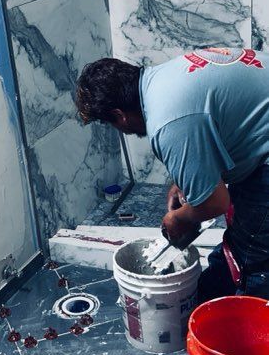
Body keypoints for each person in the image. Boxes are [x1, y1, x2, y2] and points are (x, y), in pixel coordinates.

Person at [76, 48, 269, 301]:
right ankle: (216, 291)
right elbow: (209, 123)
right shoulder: (161, 77)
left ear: (119, 116)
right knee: (243, 241)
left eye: (111, 123)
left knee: (255, 259)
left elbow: (216, 203)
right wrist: (184, 179)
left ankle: (244, 318)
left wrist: (178, 218)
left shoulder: (167, 124)